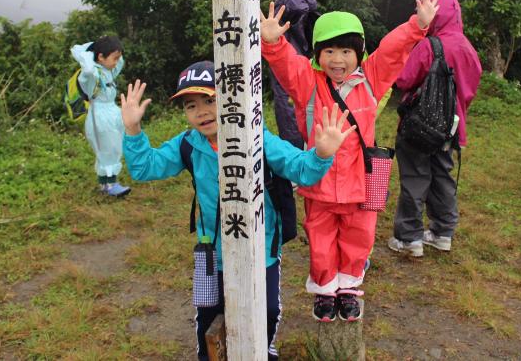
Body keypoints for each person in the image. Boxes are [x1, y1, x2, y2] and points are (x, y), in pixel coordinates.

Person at [120, 61, 356, 360]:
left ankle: (261, 350)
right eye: (191, 105)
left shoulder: (257, 137)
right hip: (211, 250)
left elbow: (301, 170)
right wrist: (132, 128)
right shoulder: (189, 145)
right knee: (208, 311)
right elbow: (144, 168)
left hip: (261, 246)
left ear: (231, 97)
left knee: (266, 309)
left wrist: (322, 154)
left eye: (210, 100)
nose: (202, 111)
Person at [259, 0, 439, 322]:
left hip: (361, 182)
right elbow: (286, 64)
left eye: (346, 51)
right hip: (320, 181)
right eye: (328, 51)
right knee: (321, 239)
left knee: (359, 239)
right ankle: (326, 290)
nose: (337, 60)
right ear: (317, 54)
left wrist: (418, 25)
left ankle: (349, 288)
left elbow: (393, 50)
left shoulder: (372, 78)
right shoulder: (308, 82)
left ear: (359, 54)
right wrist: (272, 42)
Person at [387, 0, 482, 257]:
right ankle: (443, 233)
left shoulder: (430, 45)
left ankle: (410, 238)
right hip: (450, 127)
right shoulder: (467, 47)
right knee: (442, 176)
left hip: (420, 126)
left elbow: (404, 79)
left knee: (416, 176)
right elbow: (471, 88)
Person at [269, 0, 319, 148]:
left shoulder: (289, 2)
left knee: (287, 107)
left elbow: (299, 6)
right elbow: (309, 3)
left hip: (288, 62)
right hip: (299, 60)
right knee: (295, 107)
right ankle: (301, 149)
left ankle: (294, 154)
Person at [71, 36, 130, 197]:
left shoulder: (108, 70)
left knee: (114, 146)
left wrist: (105, 47)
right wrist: (90, 53)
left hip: (111, 112)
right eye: (114, 58)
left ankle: (106, 185)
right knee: (107, 148)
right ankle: (110, 185)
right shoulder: (90, 74)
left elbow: (121, 61)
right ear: (100, 57)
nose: (117, 62)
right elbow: (88, 68)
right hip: (99, 116)